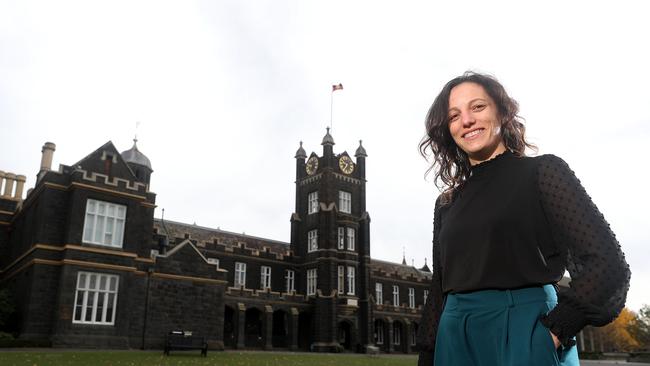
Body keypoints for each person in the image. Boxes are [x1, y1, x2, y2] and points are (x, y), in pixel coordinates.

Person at [415, 72, 630, 366]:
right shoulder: (447, 203)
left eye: (477, 107)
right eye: (454, 115)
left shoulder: (543, 173)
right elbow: (439, 290)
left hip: (525, 329)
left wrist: (554, 331)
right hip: (454, 336)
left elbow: (607, 263)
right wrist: (428, 355)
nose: (466, 120)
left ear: (502, 112)